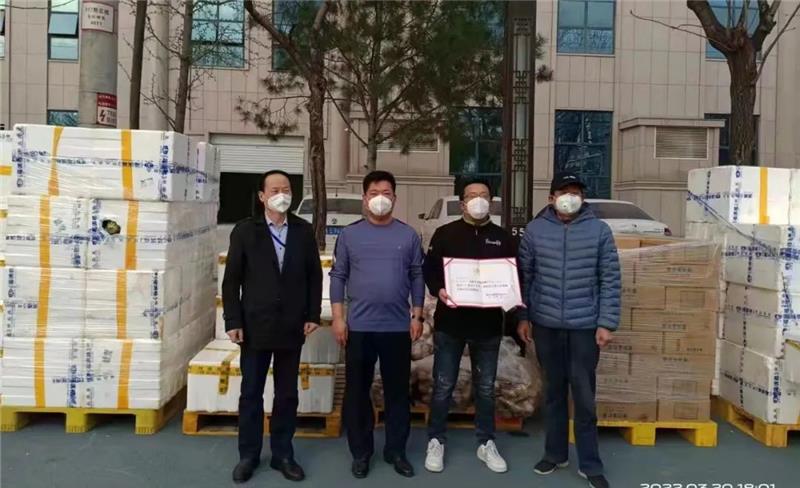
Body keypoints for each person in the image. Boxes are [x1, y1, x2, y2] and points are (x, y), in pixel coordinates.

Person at [517, 172, 620, 488]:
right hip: (546, 325)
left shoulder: (599, 231)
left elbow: (610, 279)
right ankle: (555, 453)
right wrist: (523, 317)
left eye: (576, 192)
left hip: (584, 327)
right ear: (551, 198)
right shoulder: (535, 231)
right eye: (564, 192)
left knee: (584, 397)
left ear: (583, 198)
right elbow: (525, 277)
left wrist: (606, 323)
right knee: (553, 393)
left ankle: (590, 463)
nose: (570, 198)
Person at [222, 170, 323, 484]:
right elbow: (231, 280)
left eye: (287, 189)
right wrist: (232, 320)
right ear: (262, 196)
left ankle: (283, 454)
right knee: (251, 393)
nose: (282, 195)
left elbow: (314, 275)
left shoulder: (303, 230)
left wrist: (312, 314)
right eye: (275, 190)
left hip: (292, 324)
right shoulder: (245, 231)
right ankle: (248, 455)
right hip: (255, 325)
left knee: (287, 394)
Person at [330, 170, 425, 480]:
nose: (380, 199)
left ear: (395, 198)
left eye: (386, 193)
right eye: (374, 193)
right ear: (364, 198)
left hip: (397, 327)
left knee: (397, 392)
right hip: (359, 327)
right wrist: (339, 318)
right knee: (358, 392)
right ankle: (361, 452)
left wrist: (417, 315)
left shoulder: (408, 235)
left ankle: (396, 450)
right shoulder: (350, 235)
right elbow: (338, 276)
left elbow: (417, 276)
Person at [422, 179, 515, 474]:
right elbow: (430, 271)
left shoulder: (503, 238)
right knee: (443, 385)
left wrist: (511, 299)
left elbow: (515, 278)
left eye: (484, 195)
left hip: (488, 326)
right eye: (472, 196)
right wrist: (439, 290)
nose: (478, 200)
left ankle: (486, 442)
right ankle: (436, 439)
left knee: (485, 388)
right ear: (462, 203)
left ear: (492, 202)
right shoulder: (445, 234)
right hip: (451, 324)